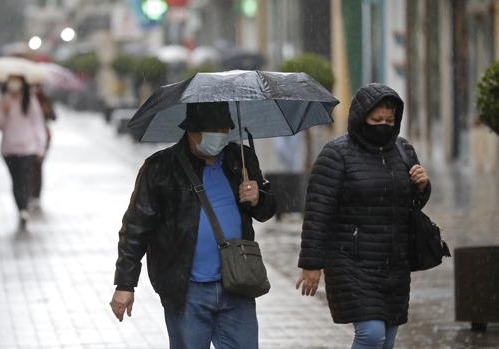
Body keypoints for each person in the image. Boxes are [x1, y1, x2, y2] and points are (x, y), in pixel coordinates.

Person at [111, 102, 276, 349]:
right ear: (191, 131)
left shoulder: (240, 159)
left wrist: (258, 198)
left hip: (238, 283)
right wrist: (125, 284)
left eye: (223, 129)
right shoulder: (160, 167)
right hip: (186, 290)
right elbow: (135, 228)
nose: (219, 136)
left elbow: (266, 211)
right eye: (212, 130)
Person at [295, 83, 431, 349]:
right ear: (361, 118)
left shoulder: (403, 150)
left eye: (389, 120)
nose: (383, 125)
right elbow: (317, 212)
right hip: (351, 261)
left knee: (388, 337)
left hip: (394, 263)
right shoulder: (336, 154)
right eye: (376, 119)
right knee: (371, 335)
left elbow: (411, 206)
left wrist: (423, 186)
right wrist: (311, 264)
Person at [0, 75, 47, 230]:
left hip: (28, 149)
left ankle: (24, 208)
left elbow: (38, 125)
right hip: (9, 150)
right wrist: (4, 111)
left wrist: (40, 147)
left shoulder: (30, 101)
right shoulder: (4, 100)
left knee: (24, 179)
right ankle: (22, 209)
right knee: (16, 181)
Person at [30, 84, 57, 209]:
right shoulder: (25, 99)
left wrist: (47, 111)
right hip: (27, 137)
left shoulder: (45, 98)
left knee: (38, 166)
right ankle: (29, 191)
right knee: (29, 166)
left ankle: (36, 194)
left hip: (44, 137)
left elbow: (54, 117)